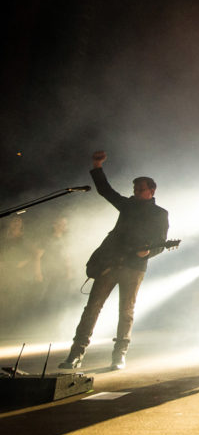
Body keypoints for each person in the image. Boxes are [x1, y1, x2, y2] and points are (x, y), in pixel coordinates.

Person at [59, 151, 169, 370]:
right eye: (135, 189)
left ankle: (119, 355)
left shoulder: (160, 213)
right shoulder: (127, 205)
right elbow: (105, 190)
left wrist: (148, 253)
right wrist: (97, 166)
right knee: (92, 308)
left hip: (135, 267)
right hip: (110, 263)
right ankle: (76, 353)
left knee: (126, 312)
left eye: (141, 189)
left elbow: (161, 242)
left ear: (152, 190)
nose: (137, 193)